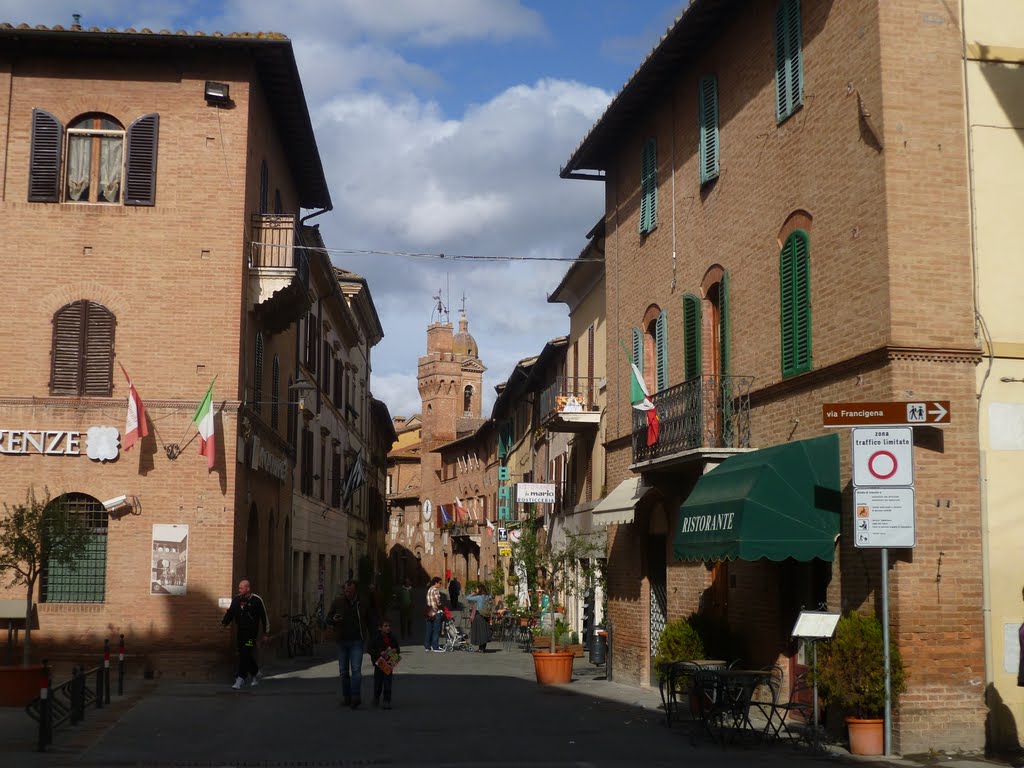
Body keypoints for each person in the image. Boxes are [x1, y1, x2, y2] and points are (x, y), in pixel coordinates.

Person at [221, 579, 269, 690]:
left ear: (248, 588)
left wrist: (266, 633)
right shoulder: (237, 600)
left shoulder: (257, 600)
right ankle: (256, 672)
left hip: (251, 634)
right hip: (240, 633)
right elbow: (231, 612)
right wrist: (224, 623)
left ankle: (240, 679)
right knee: (244, 654)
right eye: (239, 588)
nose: (239, 590)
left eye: (241, 588)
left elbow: (264, 617)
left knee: (245, 653)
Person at [328, 579, 368, 708]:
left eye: (350, 591)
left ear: (355, 591)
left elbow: (370, 618)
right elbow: (328, 618)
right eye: (346, 591)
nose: (348, 593)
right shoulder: (338, 602)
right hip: (342, 641)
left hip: (357, 640)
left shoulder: (361, 602)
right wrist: (333, 620)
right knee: (344, 671)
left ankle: (355, 696)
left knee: (356, 670)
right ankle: (347, 697)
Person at [368, 619, 401, 709]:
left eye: (389, 626)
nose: (388, 628)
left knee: (388, 682)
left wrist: (395, 650)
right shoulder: (376, 637)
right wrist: (380, 652)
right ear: (380, 628)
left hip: (389, 661)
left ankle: (387, 700)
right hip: (379, 662)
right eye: (385, 626)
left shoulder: (392, 637)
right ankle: (376, 697)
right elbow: (370, 649)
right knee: (378, 682)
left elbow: (397, 648)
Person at [464, 583, 492, 652]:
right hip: (486, 615)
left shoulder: (478, 597)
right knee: (484, 631)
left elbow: (467, 597)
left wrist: (473, 594)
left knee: (479, 632)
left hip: (479, 615)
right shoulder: (487, 596)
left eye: (477, 589)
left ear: (479, 589)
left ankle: (480, 649)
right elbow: (491, 597)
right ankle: (482, 648)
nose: (476, 590)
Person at [424, 576, 444, 652]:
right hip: (436, 612)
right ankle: (435, 646)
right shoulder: (435, 590)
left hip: (429, 612)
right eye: (440, 583)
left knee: (429, 629)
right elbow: (438, 602)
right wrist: (441, 608)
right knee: (436, 630)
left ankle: (427, 646)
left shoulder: (429, 589)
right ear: (436, 582)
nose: (440, 584)